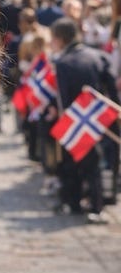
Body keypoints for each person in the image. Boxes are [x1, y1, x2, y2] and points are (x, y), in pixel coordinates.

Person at [50, 17, 118, 224]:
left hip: (76, 119)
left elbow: (62, 99)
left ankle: (75, 202)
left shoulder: (62, 63)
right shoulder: (99, 55)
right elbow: (112, 91)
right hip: (98, 119)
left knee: (76, 163)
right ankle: (97, 204)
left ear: (60, 39)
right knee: (95, 165)